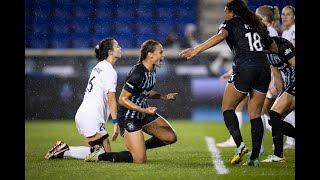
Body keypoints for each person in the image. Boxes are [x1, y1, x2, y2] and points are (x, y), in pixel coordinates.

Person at [179, 0, 278, 166]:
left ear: (232, 12)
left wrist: (196, 50)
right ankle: (254, 158)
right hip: (263, 69)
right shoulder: (257, 24)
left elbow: (219, 37)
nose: (225, 13)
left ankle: (239, 144)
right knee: (255, 114)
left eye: (226, 10)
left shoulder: (231, 23)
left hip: (245, 68)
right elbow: (274, 48)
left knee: (227, 107)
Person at [85, 39, 178, 163]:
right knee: (139, 159)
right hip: (129, 117)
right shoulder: (137, 73)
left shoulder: (152, 69)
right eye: (161, 52)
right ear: (150, 55)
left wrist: (164, 97)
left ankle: (138, 147)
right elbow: (122, 100)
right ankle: (100, 156)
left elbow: (145, 91)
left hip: (143, 113)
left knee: (171, 137)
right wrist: (144, 109)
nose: (163, 55)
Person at [45, 38, 121, 160]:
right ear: (110, 51)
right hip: (92, 116)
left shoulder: (98, 66)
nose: (120, 48)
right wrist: (115, 122)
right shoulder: (109, 71)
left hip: (82, 114)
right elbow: (111, 99)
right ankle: (65, 150)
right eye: (117, 46)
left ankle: (64, 150)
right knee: (106, 156)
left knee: (97, 152)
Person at [260, 36, 295, 162]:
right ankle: (278, 154)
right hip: (289, 86)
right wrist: (282, 95)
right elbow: (277, 75)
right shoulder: (264, 52)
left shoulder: (283, 46)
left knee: (274, 114)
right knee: (274, 120)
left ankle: (278, 155)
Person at [280, 5, 295, 149]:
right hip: (287, 75)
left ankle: (290, 141)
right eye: (283, 14)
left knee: (279, 111)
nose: (284, 17)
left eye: (288, 14)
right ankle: (290, 141)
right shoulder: (285, 33)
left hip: (293, 76)